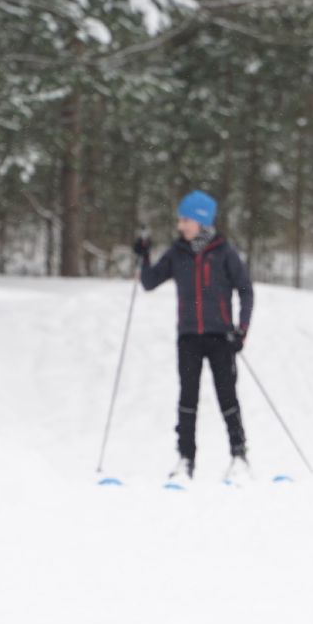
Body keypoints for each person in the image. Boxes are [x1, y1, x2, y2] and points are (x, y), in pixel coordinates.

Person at [134, 190, 255, 484]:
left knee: (227, 397)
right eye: (180, 220)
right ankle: (185, 460)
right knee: (187, 399)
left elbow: (245, 290)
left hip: (221, 337)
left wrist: (241, 330)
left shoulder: (223, 252)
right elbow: (149, 282)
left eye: (185, 220)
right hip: (188, 337)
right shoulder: (177, 253)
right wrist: (143, 256)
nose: (180, 226)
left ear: (201, 221)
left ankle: (239, 457)